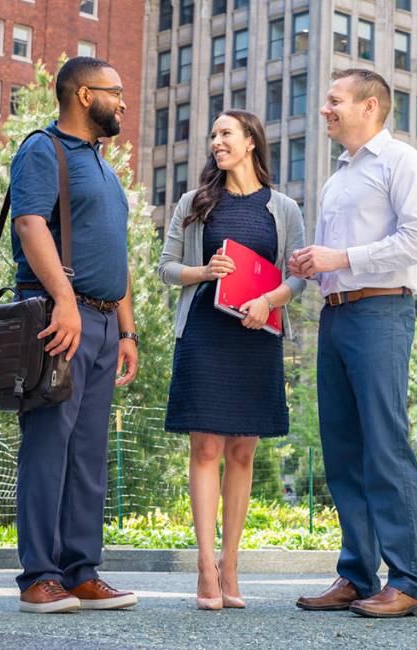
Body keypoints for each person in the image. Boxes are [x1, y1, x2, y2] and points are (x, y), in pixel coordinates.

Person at [289, 69, 417, 618]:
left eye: (334, 101)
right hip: (335, 317)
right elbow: (332, 258)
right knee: (344, 452)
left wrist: (342, 258)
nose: (324, 109)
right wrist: (311, 263)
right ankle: (357, 575)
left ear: (369, 106)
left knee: (385, 445)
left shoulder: (405, 163)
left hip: (382, 311)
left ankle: (408, 582)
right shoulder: (338, 177)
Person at [157, 109, 306, 610]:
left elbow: (299, 276)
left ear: (250, 143)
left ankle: (231, 564)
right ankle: (203, 566)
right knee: (205, 449)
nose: (215, 141)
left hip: (257, 335)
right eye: (212, 135)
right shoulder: (193, 203)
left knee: (244, 449)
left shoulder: (283, 208)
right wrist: (204, 271)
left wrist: (269, 301)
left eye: (225, 134)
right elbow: (165, 269)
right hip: (204, 332)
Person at [9, 56, 140, 614]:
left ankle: (80, 571)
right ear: (85, 96)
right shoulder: (44, 149)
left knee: (88, 452)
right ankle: (39, 576)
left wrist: (128, 331)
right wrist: (64, 300)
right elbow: (29, 222)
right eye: (115, 92)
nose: (124, 103)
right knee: (48, 445)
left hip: (106, 323)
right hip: (58, 318)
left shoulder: (103, 166)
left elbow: (117, 251)